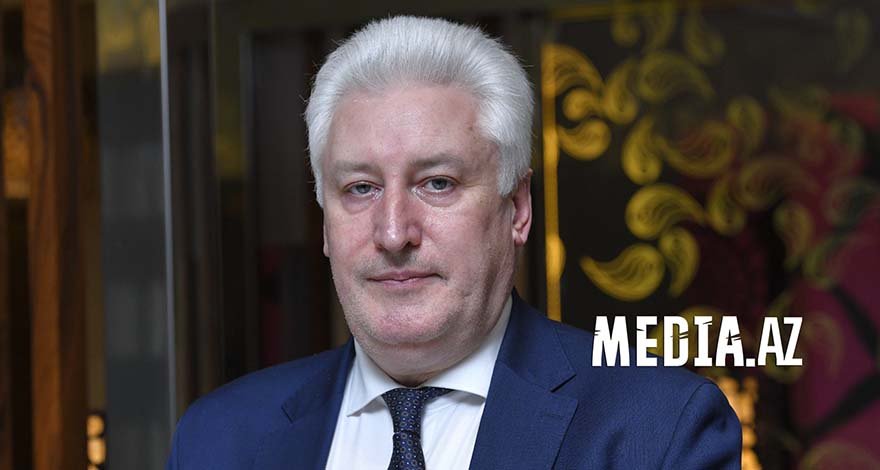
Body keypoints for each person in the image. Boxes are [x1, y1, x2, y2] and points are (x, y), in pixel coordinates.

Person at [166, 15, 741, 469]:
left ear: (517, 209)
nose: (394, 233)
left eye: (437, 183)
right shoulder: (219, 440)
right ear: (324, 222)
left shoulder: (658, 430)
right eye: (360, 188)